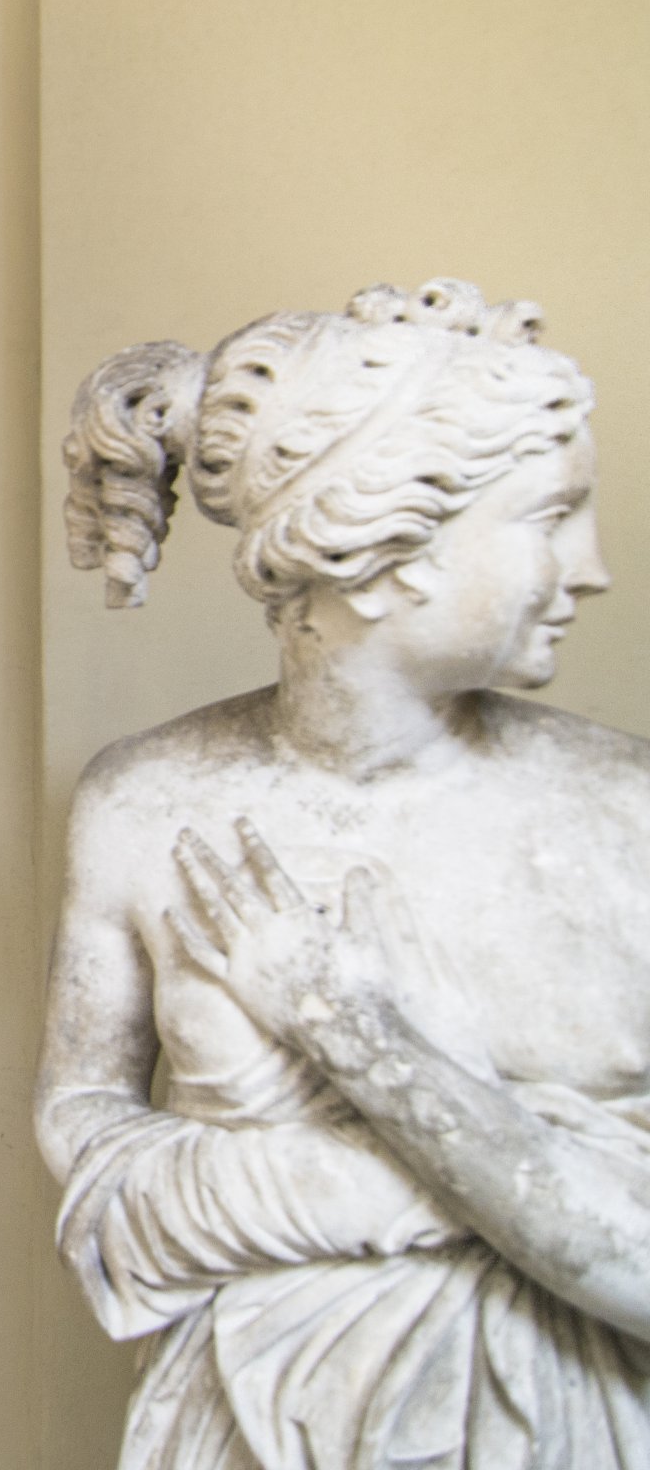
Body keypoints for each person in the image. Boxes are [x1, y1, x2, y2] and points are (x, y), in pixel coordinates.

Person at [37, 278, 650, 1469]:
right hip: (240, 1422)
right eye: (550, 516)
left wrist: (347, 1029)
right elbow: (83, 1111)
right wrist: (374, 1188)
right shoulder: (143, 804)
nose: (591, 569)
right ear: (379, 545)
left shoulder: (621, 813)